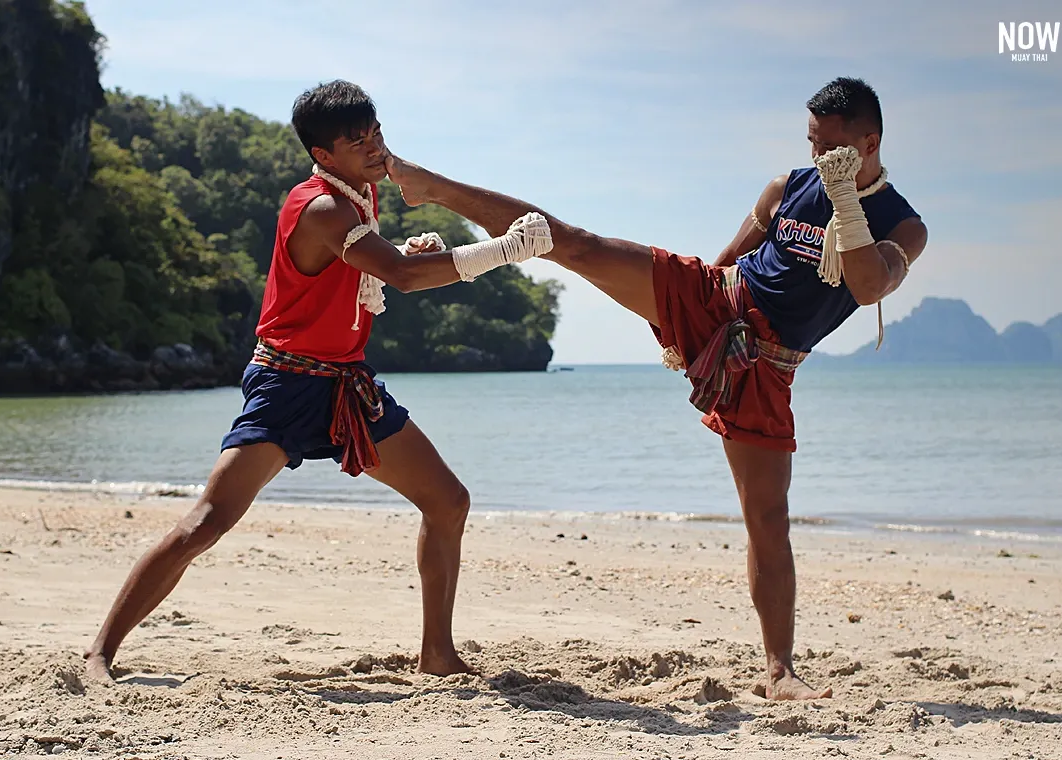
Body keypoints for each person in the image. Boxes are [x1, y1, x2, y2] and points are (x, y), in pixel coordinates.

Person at [384, 77, 927, 700]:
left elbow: (867, 287)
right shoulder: (785, 189)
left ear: (870, 141)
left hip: (769, 363)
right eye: (812, 144)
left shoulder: (904, 225)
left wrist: (844, 197)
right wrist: (672, 325)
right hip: (719, 302)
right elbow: (721, 268)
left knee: (766, 518)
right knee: (574, 243)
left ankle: (778, 671)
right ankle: (433, 187)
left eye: (833, 149)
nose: (817, 159)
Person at [84, 80, 553, 681]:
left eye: (376, 133)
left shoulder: (360, 193)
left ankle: (437, 654)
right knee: (206, 523)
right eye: (356, 142)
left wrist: (402, 251)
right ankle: (101, 651)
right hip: (286, 384)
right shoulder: (324, 206)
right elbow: (402, 278)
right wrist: (502, 250)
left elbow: (364, 277)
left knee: (448, 501)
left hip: (347, 388)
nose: (374, 148)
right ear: (322, 155)